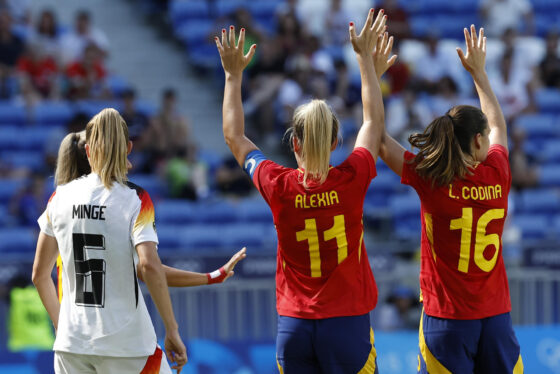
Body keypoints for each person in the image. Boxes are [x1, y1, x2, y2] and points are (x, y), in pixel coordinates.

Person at [215, 9, 391, 372]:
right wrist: (365, 63)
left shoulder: (277, 184)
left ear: (293, 142)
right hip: (347, 322)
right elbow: (373, 122)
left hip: (295, 324)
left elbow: (234, 137)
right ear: (336, 141)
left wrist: (233, 76)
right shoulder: (352, 177)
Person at [376, 26, 523, 373]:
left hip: (447, 320)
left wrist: (372, 75)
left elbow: (379, 141)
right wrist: (479, 74)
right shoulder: (498, 172)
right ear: (476, 141)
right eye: (484, 137)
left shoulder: (433, 178)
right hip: (496, 317)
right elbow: (500, 127)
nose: (489, 141)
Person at [32, 109, 187, 374]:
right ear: (128, 148)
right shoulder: (135, 199)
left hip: (72, 345)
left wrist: (64, 327)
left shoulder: (58, 197)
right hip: (127, 345)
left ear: (89, 150)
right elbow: (149, 267)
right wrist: (171, 329)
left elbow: (38, 274)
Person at [52, 130, 245, 297]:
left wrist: (59, 324)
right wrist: (210, 278)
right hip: (113, 327)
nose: (129, 165)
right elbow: (149, 268)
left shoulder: (57, 202)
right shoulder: (125, 205)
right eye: (121, 156)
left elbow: (39, 274)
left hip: (74, 330)